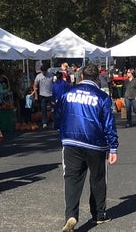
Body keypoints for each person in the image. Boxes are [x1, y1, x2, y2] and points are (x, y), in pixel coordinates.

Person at [55, 64, 118, 232]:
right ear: (97, 77)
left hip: (71, 141)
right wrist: (113, 148)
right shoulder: (102, 97)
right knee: (97, 179)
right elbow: (109, 124)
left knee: (72, 178)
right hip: (95, 143)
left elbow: (57, 114)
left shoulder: (67, 93)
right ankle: (98, 215)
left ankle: (71, 215)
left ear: (81, 76)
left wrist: (61, 130)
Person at [33, 64, 54, 129]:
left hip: (51, 94)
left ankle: (54, 121)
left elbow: (55, 84)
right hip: (42, 95)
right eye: (42, 71)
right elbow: (35, 86)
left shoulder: (51, 75)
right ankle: (44, 123)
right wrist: (36, 96)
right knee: (43, 109)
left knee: (53, 108)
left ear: (46, 70)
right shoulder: (38, 76)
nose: (43, 73)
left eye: (44, 71)